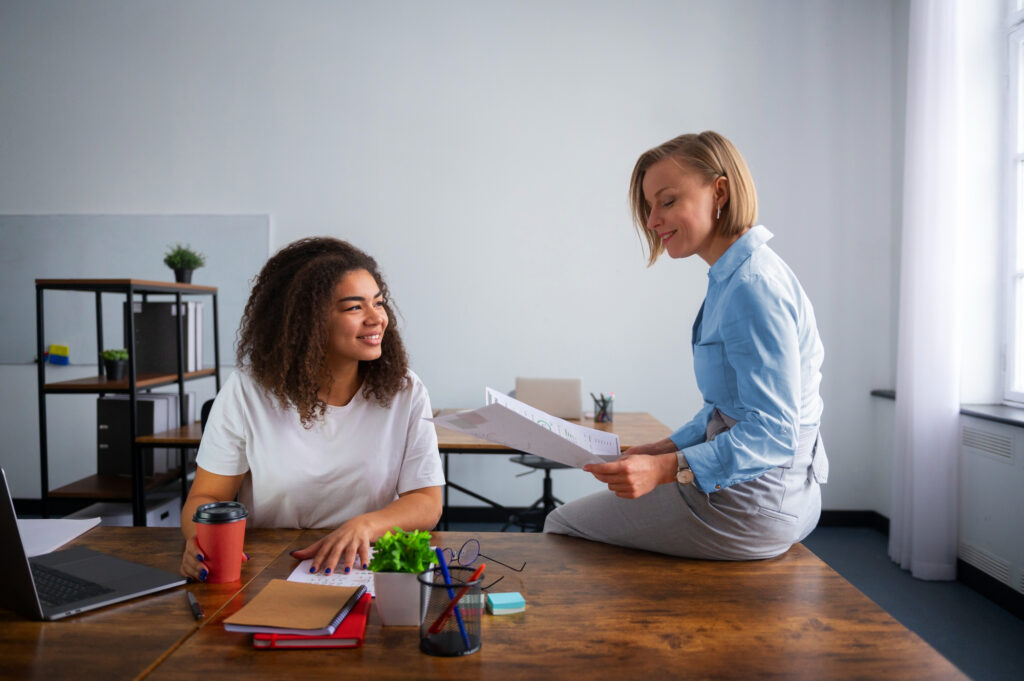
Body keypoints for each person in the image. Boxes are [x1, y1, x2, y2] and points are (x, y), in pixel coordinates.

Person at [544, 131, 829, 560]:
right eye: (649, 206)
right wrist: (666, 448)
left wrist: (665, 469)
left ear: (719, 192)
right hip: (773, 496)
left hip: (752, 504)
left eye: (668, 200)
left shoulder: (751, 287)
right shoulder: (735, 278)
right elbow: (727, 409)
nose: (652, 220)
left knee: (560, 525)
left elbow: (773, 433)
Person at [180, 237, 444, 580]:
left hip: (365, 567)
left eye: (378, 303)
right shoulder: (247, 391)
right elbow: (207, 495)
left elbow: (426, 500)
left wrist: (365, 526)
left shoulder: (405, 390)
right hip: (265, 568)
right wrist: (200, 542)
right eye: (354, 308)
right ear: (308, 321)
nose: (376, 318)